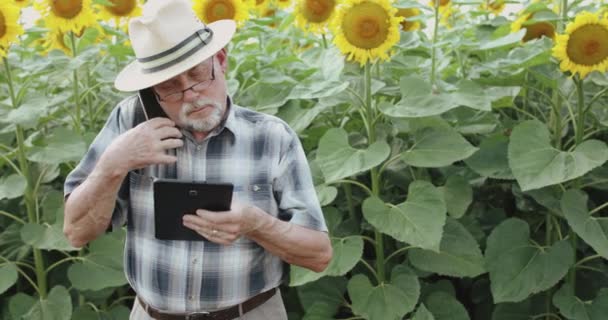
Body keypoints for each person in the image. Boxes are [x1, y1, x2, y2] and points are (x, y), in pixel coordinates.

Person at [62, 0, 332, 319]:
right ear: (151, 92)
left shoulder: (272, 137)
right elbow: (76, 232)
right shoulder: (130, 123)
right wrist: (113, 164)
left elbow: (319, 255)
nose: (191, 93)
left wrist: (256, 224)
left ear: (220, 59)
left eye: (199, 74)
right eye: (170, 87)